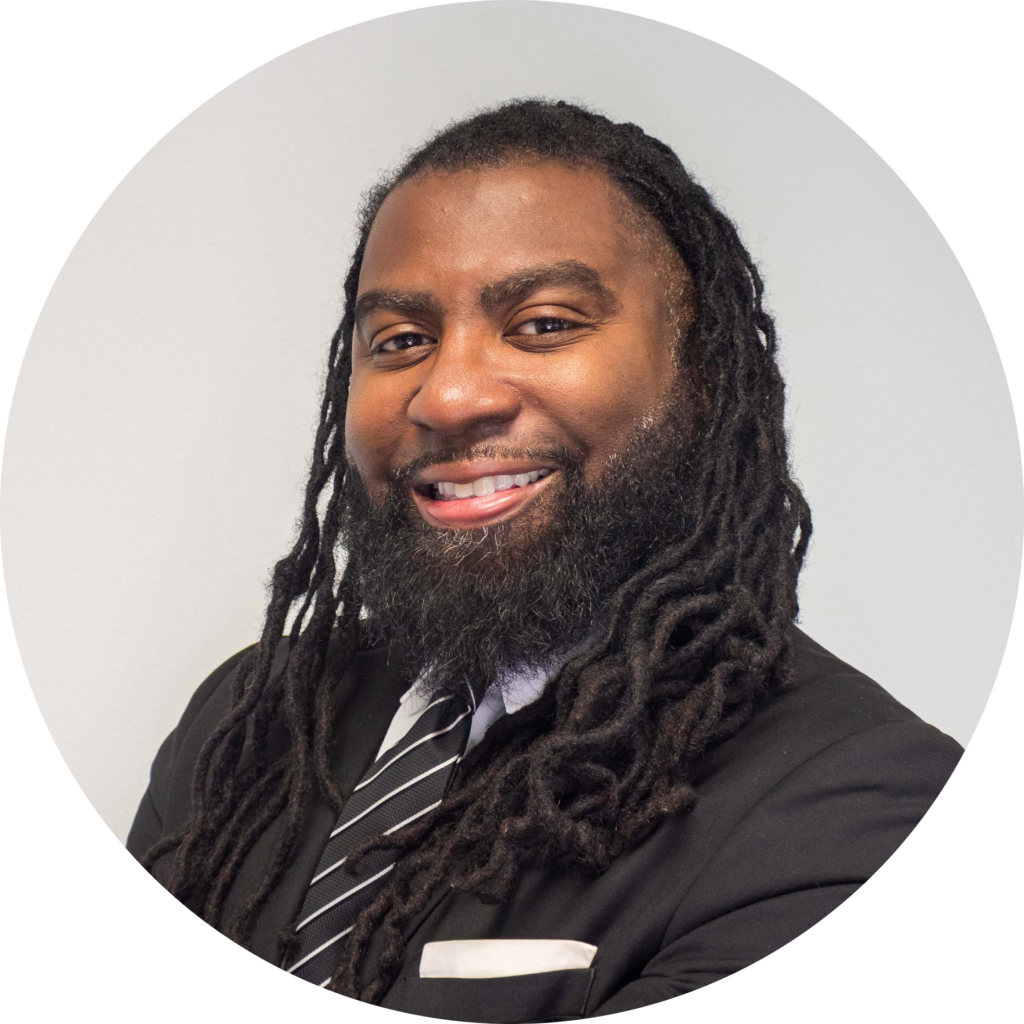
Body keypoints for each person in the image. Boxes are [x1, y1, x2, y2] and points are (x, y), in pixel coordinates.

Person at [126, 98, 963, 1014]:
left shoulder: (853, 803)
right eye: (401, 341)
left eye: (545, 324)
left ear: (706, 374)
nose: (447, 396)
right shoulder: (251, 719)